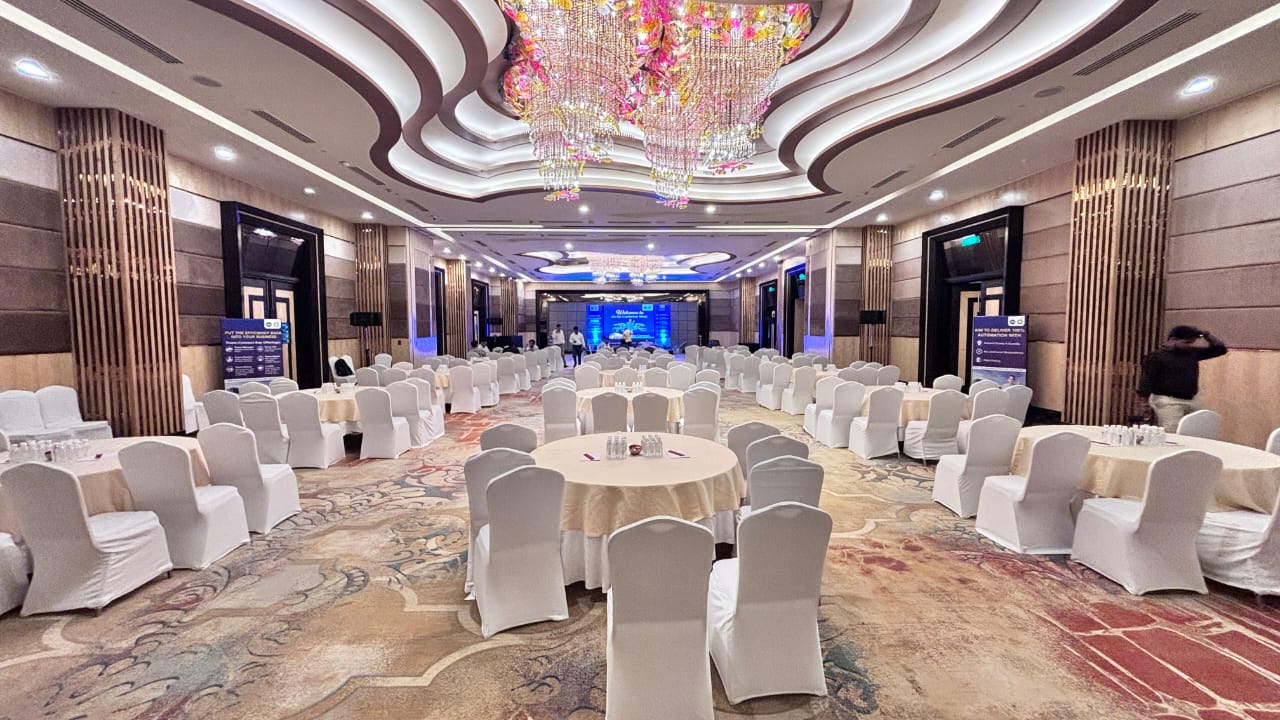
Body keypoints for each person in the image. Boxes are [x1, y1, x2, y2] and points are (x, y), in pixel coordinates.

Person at [1136, 325, 1227, 432]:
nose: (1189, 345)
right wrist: (1144, 402)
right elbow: (1146, 380)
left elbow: (1220, 349)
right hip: (1167, 400)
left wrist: (1206, 335)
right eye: (1186, 342)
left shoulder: (1191, 353)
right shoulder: (1157, 356)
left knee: (1194, 430)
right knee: (1173, 431)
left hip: (1190, 399)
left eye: (1192, 342)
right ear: (1173, 339)